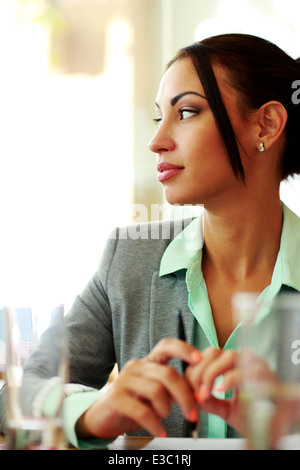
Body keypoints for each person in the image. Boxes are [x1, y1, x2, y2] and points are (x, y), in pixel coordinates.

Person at [1, 33, 300, 449]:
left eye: (188, 112)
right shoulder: (131, 257)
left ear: (265, 124)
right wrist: (93, 413)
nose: (157, 141)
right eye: (161, 117)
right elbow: (25, 388)